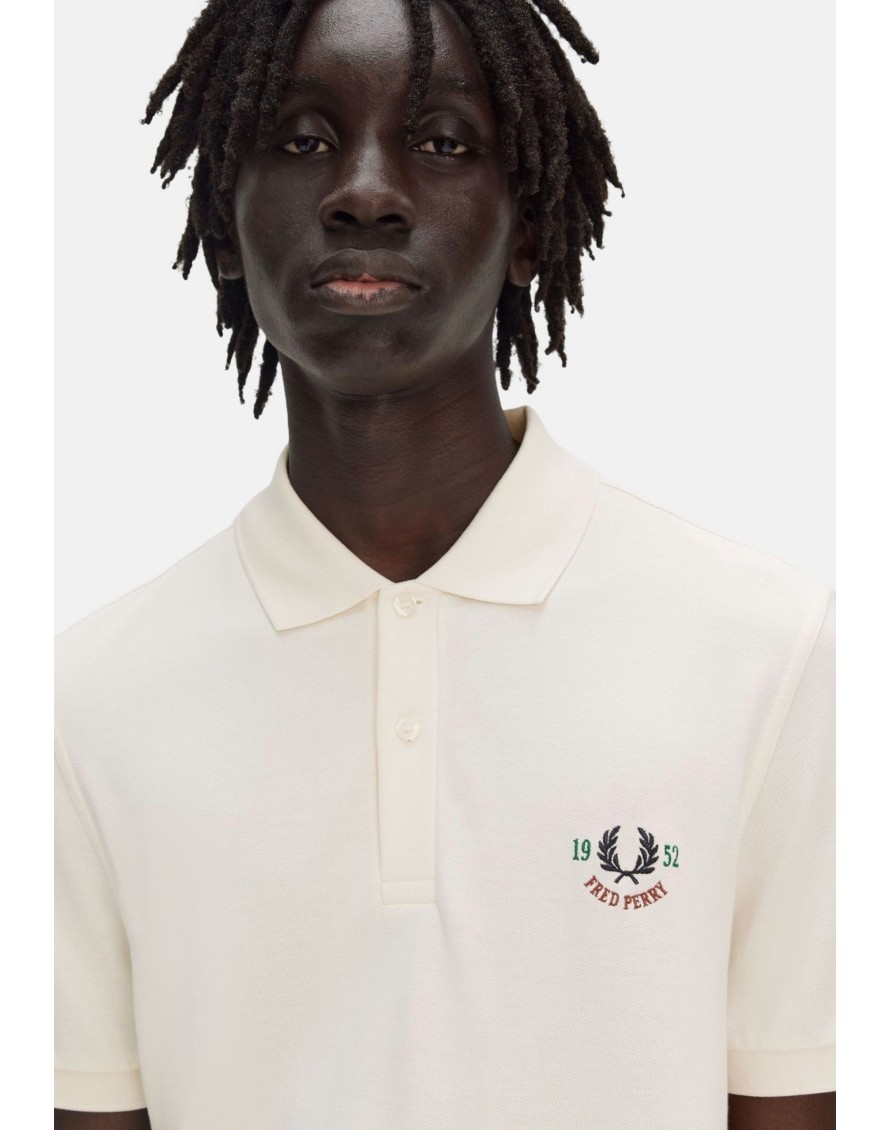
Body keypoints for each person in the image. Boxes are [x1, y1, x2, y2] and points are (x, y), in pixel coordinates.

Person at [54, 0, 835, 1127]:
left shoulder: (768, 652)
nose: (364, 192)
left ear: (527, 228)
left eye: (441, 141)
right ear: (224, 224)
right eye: (303, 140)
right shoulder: (83, 706)